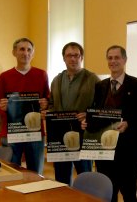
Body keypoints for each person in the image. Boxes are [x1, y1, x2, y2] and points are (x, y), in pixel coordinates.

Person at [83, 45, 137, 202]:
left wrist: (129, 123)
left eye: (117, 57)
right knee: (107, 192)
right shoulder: (100, 86)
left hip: (129, 149)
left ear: (124, 60)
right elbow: (96, 112)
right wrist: (87, 122)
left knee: (129, 193)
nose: (113, 61)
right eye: (110, 58)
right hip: (104, 149)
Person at [0, 37, 50, 175]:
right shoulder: (4, 77)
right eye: (22, 49)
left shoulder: (41, 75)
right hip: (12, 132)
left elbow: (48, 100)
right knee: (11, 173)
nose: (25, 53)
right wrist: (2, 107)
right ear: (14, 52)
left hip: (35, 133)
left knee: (36, 173)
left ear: (33, 53)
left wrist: (46, 105)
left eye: (29, 50)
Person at [47, 42, 100, 185]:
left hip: (83, 135)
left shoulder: (93, 79)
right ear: (64, 58)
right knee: (61, 179)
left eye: (76, 55)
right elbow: (51, 104)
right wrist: (48, 113)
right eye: (69, 55)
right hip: (59, 137)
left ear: (81, 57)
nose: (73, 59)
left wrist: (88, 115)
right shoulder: (56, 80)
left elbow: (101, 107)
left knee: (85, 177)